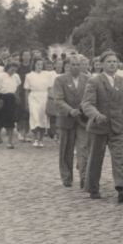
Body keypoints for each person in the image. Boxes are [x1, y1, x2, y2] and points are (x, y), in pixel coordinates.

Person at [81, 50, 123, 203]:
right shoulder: (94, 81)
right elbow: (86, 103)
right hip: (99, 127)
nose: (112, 64)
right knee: (95, 159)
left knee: (120, 158)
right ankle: (92, 188)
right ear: (102, 64)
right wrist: (96, 115)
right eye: (109, 62)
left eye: (115, 61)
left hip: (118, 126)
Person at [54, 54, 90, 189]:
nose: (76, 67)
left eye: (78, 64)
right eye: (73, 64)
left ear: (82, 66)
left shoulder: (88, 79)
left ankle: (84, 176)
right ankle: (67, 177)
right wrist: (70, 110)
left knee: (84, 148)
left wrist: (84, 109)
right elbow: (58, 99)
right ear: (67, 66)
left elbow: (90, 97)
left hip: (83, 119)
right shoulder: (60, 80)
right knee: (66, 150)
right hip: (66, 119)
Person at [0, 62, 21, 148]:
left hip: (11, 99)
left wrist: (17, 97)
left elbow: (17, 88)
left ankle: (9, 142)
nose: (13, 72)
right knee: (0, 119)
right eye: (12, 69)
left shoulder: (16, 76)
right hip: (2, 98)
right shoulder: (0, 76)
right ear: (7, 68)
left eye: (15, 70)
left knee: (11, 120)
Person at [24, 58, 51, 148]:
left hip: (44, 97)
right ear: (34, 65)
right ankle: (36, 138)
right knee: (34, 117)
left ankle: (41, 140)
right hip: (33, 97)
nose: (39, 66)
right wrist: (26, 103)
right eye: (38, 64)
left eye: (41, 64)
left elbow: (49, 89)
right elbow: (27, 90)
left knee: (43, 118)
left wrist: (50, 101)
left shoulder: (47, 74)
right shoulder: (29, 75)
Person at [45, 59, 64, 140]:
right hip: (52, 97)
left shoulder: (64, 74)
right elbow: (48, 87)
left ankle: (58, 133)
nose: (59, 66)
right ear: (54, 65)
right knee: (52, 116)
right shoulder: (51, 74)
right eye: (58, 64)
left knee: (60, 116)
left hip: (61, 97)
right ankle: (53, 132)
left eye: (61, 64)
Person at [16, 51, 33, 142]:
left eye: (28, 55)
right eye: (24, 55)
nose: (26, 57)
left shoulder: (32, 67)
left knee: (29, 112)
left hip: (32, 92)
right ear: (21, 56)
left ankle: (26, 132)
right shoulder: (19, 67)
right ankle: (20, 131)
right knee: (21, 111)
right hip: (21, 91)